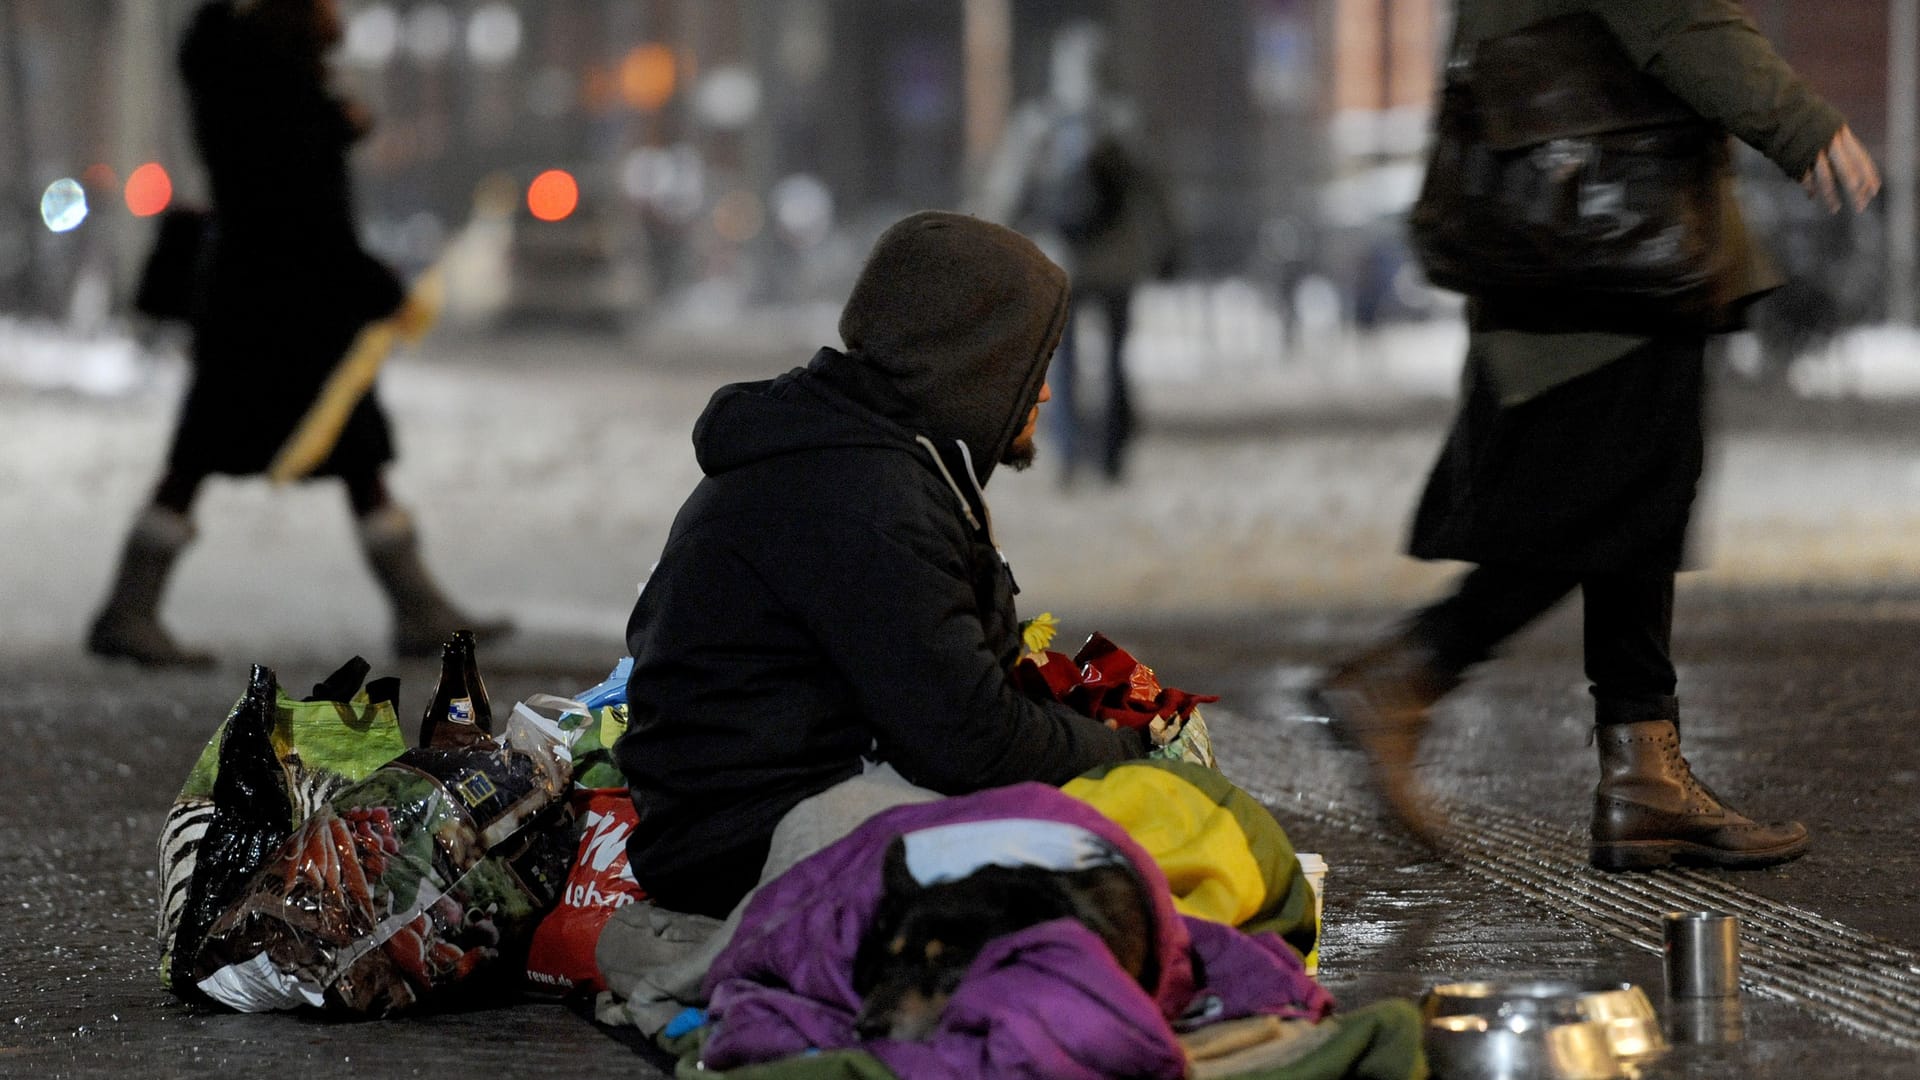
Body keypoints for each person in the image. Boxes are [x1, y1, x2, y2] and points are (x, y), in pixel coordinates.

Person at [1312, 0, 1881, 871]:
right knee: (1596, 510)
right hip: (1614, 254)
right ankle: (1408, 675)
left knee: (1631, 516)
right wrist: (1797, 120)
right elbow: (1678, 19)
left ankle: (1643, 777)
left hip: (1561, 242)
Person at [612, 211, 1153, 923]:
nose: (1044, 393)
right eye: (1035, 364)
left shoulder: (867, 458)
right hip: (750, 848)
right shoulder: (864, 496)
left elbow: (954, 701)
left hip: (760, 817)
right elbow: (973, 743)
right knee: (1113, 860)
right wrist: (1128, 748)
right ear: (974, 359)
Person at [87, 0, 504, 665]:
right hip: (276, 307)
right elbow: (300, 208)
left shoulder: (253, 74)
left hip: (266, 302)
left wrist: (335, 122)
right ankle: (128, 611)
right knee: (233, 454)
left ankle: (417, 608)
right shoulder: (272, 86)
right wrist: (374, 283)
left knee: (343, 453)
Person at [976, 22, 1177, 485]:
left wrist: (990, 244)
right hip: (1121, 259)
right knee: (1115, 357)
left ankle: (1066, 453)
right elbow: (1158, 192)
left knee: (1060, 361)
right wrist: (1168, 244)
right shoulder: (1126, 120)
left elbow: (1008, 191)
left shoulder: (1040, 122)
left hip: (1060, 260)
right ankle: (1111, 454)